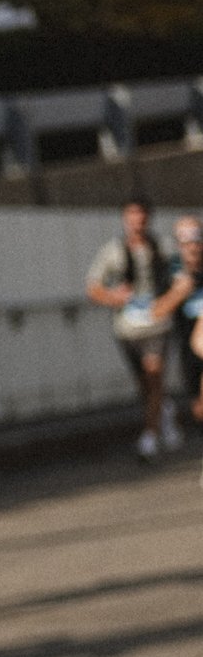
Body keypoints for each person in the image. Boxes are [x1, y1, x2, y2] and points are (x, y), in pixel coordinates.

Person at [85, 196, 190, 460]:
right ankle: (163, 413)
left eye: (141, 217)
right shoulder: (113, 251)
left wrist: (165, 303)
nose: (137, 223)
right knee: (145, 384)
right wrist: (113, 297)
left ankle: (149, 438)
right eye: (132, 217)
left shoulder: (163, 248)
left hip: (157, 325)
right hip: (127, 328)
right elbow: (93, 287)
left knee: (154, 375)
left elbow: (182, 280)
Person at [173, 215, 203, 431]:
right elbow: (155, 310)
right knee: (198, 408)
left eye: (197, 239)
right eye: (186, 241)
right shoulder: (170, 270)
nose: (193, 246)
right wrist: (179, 292)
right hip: (185, 344)